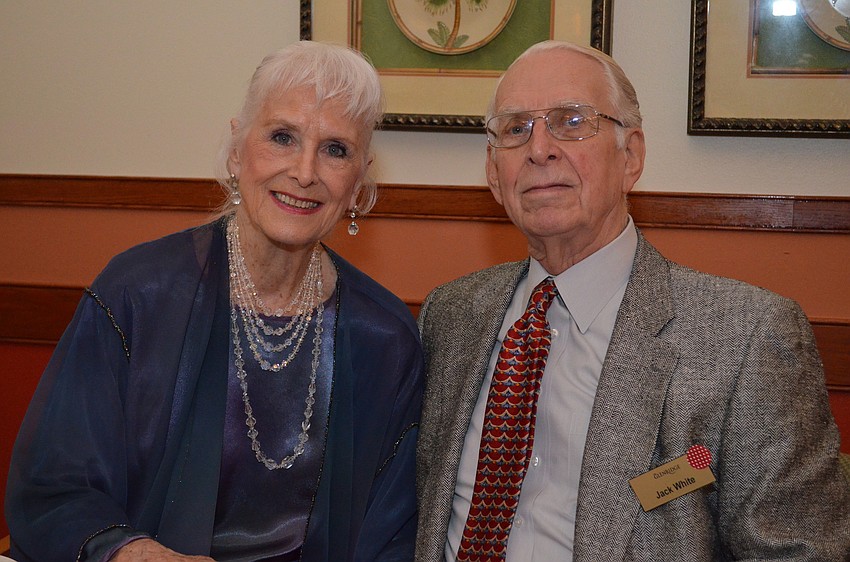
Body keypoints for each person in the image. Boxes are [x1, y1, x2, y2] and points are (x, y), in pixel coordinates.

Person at [414, 40, 850, 561]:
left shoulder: (747, 338)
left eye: (571, 121)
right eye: (515, 129)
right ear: (492, 171)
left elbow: (798, 553)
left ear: (632, 156)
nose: (539, 148)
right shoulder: (450, 316)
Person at [6, 41, 424, 561]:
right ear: (236, 148)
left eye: (335, 149)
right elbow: (54, 488)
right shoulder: (137, 294)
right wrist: (135, 554)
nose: (304, 171)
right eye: (282, 137)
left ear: (359, 181)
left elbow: (396, 537)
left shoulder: (385, 338)